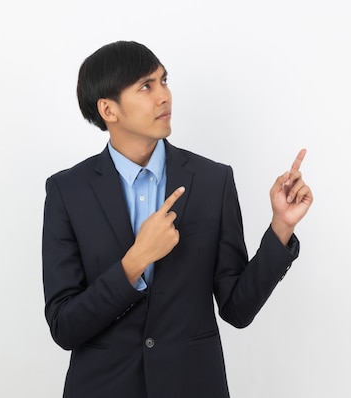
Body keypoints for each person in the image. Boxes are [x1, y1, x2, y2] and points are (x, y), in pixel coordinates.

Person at [41, 40, 313, 398]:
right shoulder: (67, 191)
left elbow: (237, 309)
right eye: (145, 86)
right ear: (108, 109)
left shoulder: (212, 181)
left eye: (163, 81)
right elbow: (65, 326)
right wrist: (135, 261)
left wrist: (281, 227)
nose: (163, 96)